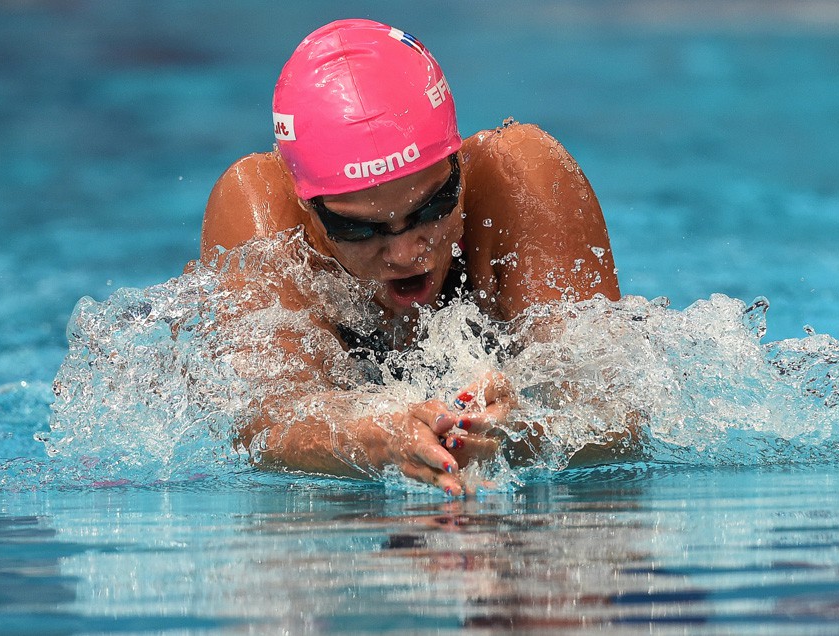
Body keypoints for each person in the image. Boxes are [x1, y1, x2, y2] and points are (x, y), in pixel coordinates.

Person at [194, 19, 622, 495]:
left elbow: (620, 413)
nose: (403, 252)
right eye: (358, 227)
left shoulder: (517, 180)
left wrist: (524, 431)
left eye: (432, 208)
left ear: (457, 166)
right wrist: (372, 440)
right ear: (308, 211)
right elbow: (265, 426)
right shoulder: (263, 212)